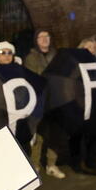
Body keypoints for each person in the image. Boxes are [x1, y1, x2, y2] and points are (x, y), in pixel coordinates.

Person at [24, 29, 63, 178]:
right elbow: (33, 78)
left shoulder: (57, 56)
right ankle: (35, 164)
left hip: (55, 99)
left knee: (55, 133)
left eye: (47, 36)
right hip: (39, 100)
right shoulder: (31, 57)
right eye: (41, 37)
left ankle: (51, 164)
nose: (44, 39)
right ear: (36, 40)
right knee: (38, 132)